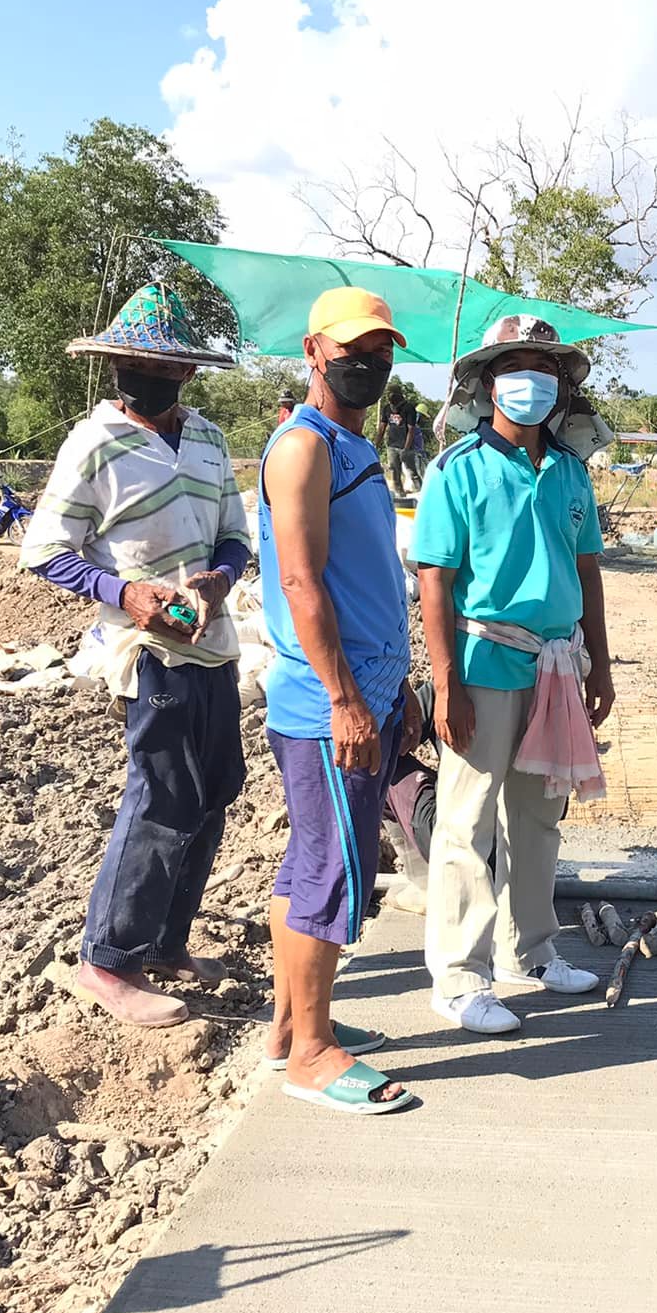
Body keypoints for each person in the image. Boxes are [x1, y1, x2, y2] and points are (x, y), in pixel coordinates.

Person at [19, 283, 252, 1028]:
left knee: (214, 791)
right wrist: (128, 594)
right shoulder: (94, 443)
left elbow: (235, 536)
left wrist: (216, 581)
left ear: (184, 374)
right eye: (126, 363)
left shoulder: (210, 440)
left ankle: (166, 942)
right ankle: (107, 960)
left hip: (212, 644)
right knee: (160, 797)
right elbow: (46, 551)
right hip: (144, 649)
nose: (137, 375)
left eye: (153, 366)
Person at [412, 315, 615, 1036]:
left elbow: (587, 569)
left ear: (560, 389)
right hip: (483, 663)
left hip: (558, 666)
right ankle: (459, 978)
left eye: (544, 367)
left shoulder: (569, 470)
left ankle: (529, 951)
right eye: (516, 366)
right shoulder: (458, 470)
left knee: (538, 814)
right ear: (489, 384)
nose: (532, 379)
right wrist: (446, 682)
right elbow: (435, 578)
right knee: (468, 822)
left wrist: (602, 663)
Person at [258, 286, 422, 1114]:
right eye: (354, 350)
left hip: (368, 687)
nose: (371, 364)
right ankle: (314, 1056)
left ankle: (294, 1028)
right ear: (313, 350)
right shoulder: (304, 447)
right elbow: (300, 580)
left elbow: (366, 578)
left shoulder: (354, 447)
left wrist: (397, 688)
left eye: (383, 350)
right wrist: (347, 699)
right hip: (329, 702)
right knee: (332, 871)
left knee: (309, 865)